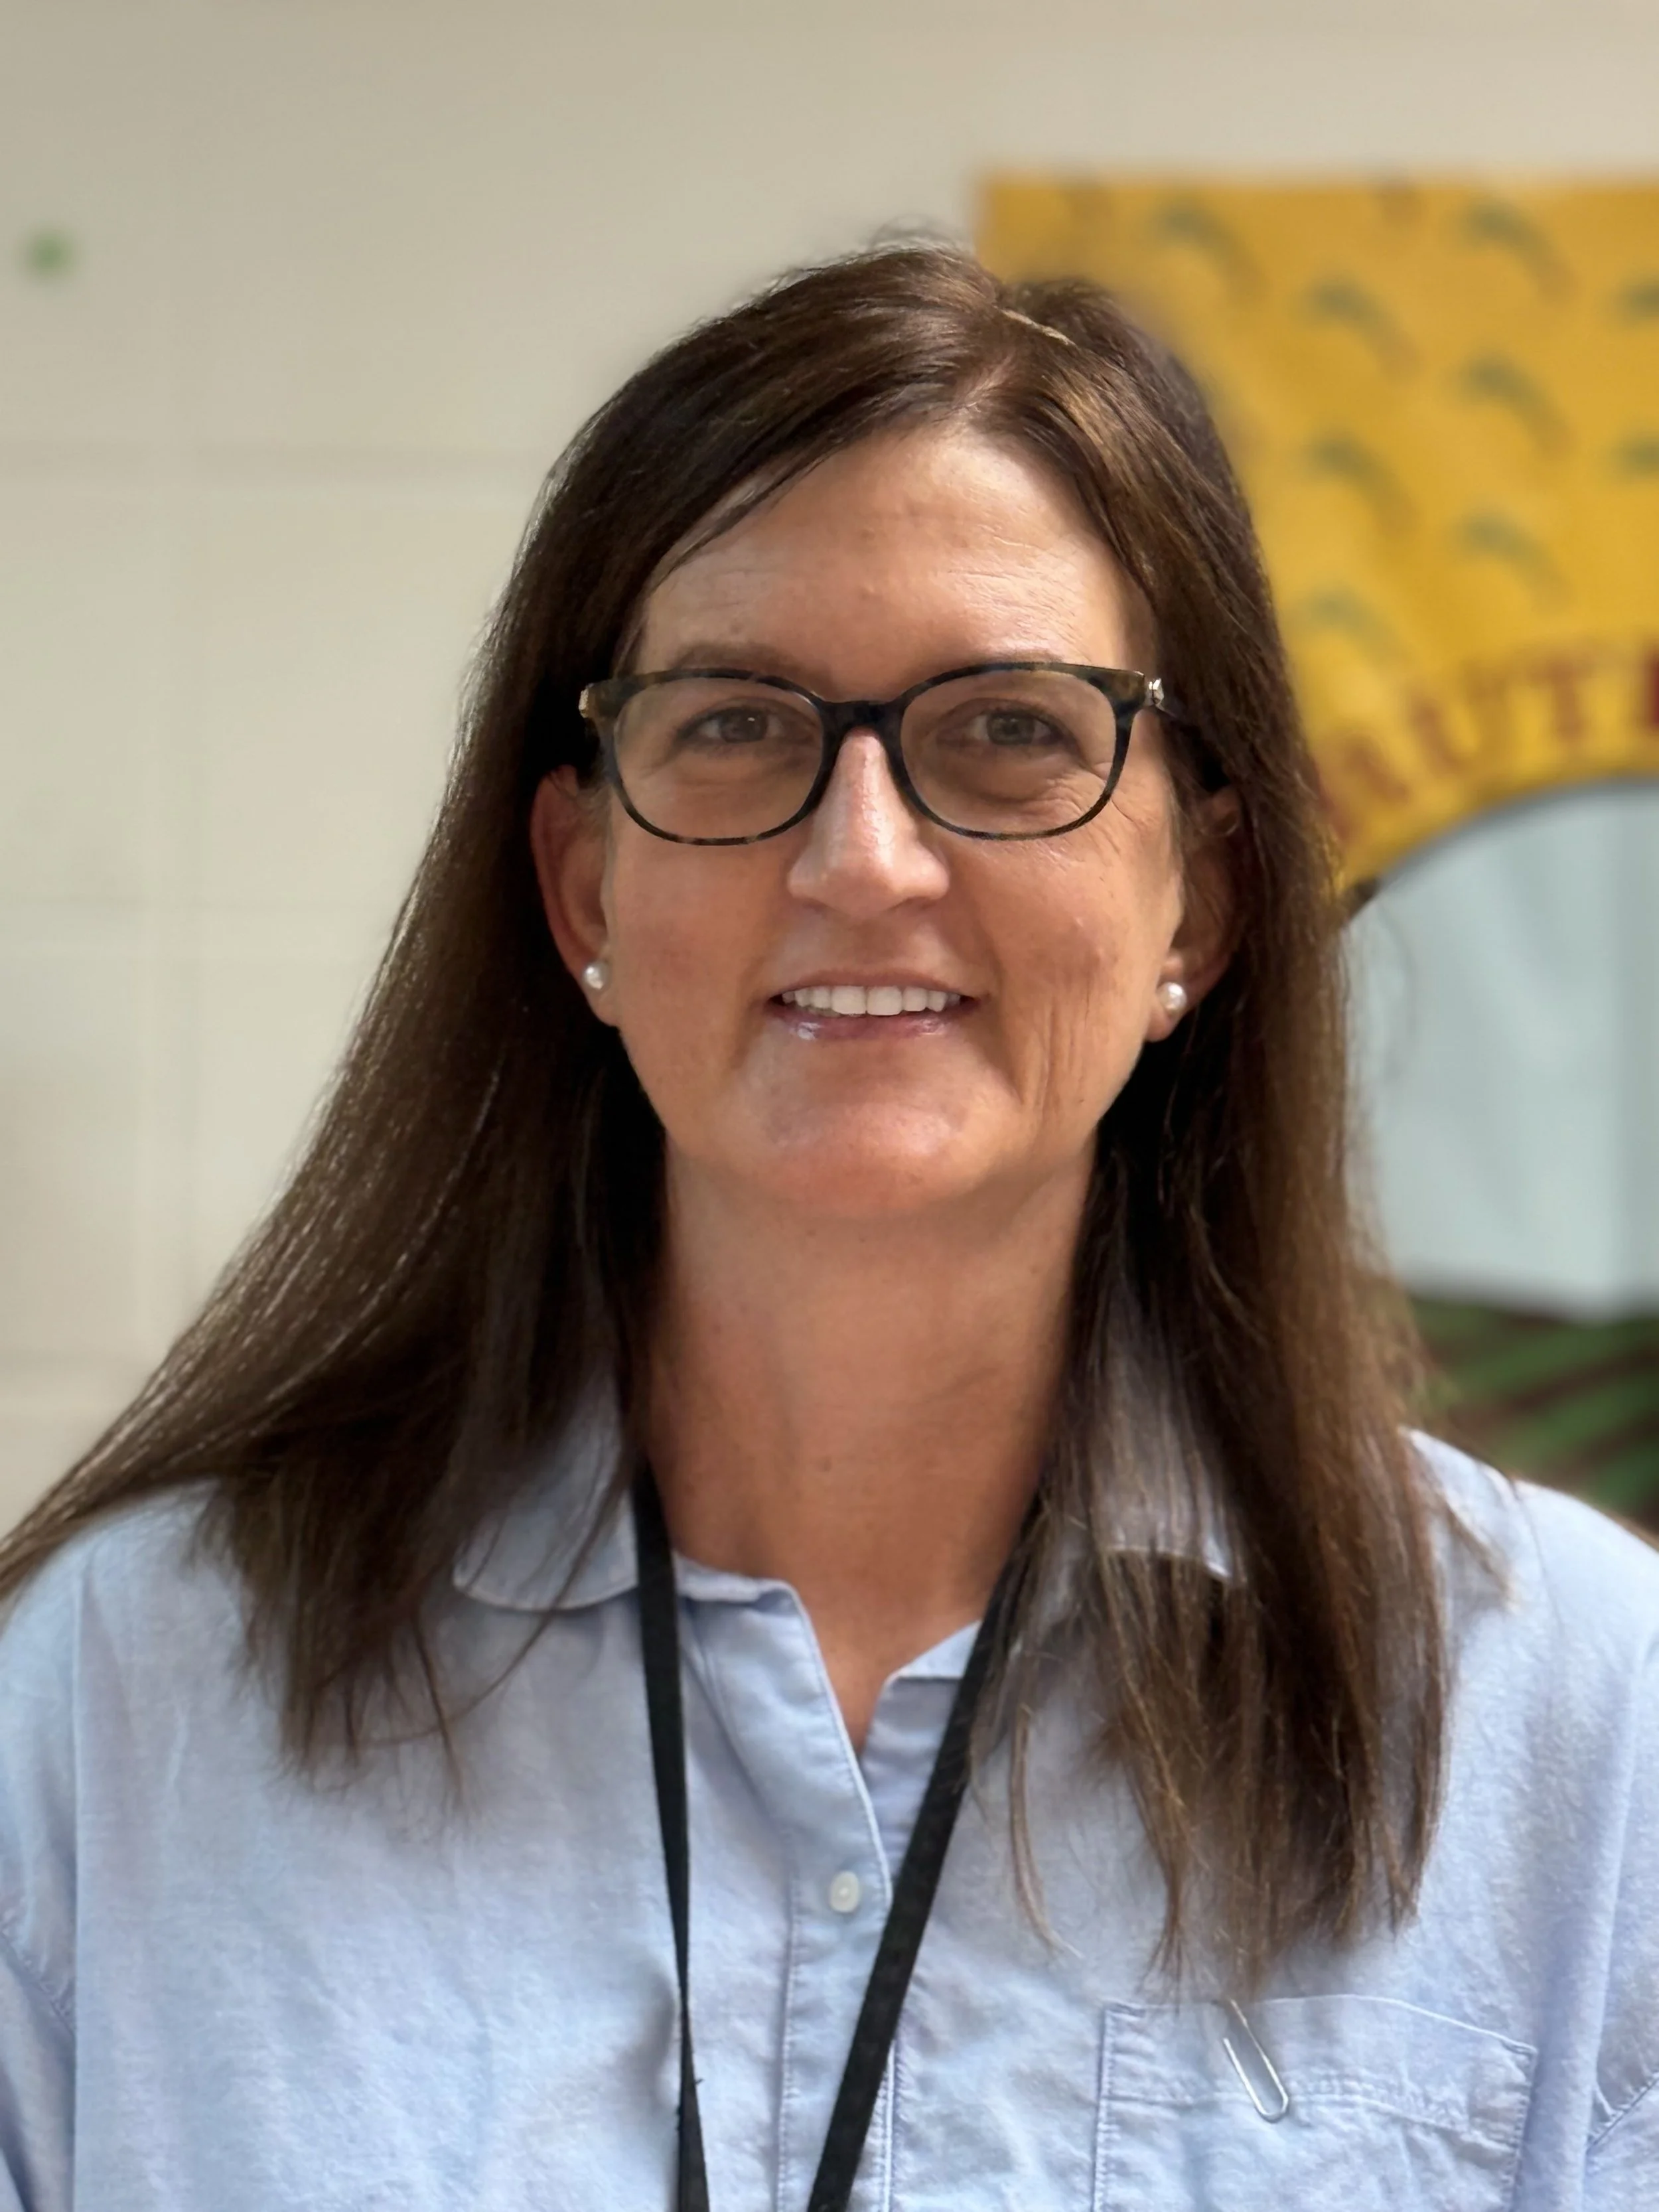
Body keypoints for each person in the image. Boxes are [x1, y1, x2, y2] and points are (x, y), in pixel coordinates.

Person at [0, 244, 1654, 2212]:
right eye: (732, 723)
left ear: (1199, 904)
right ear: (578, 883)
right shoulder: (125, 1695)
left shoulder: (1570, 1721)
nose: (860, 857)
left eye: (1012, 730)